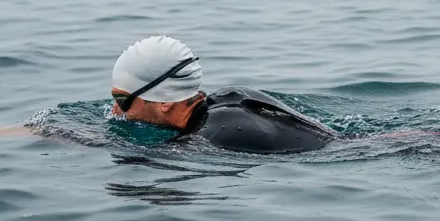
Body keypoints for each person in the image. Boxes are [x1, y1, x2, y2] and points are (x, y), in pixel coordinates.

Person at [111, 35, 335, 153]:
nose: (116, 109)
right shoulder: (233, 95)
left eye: (123, 100)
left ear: (164, 103)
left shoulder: (209, 137)